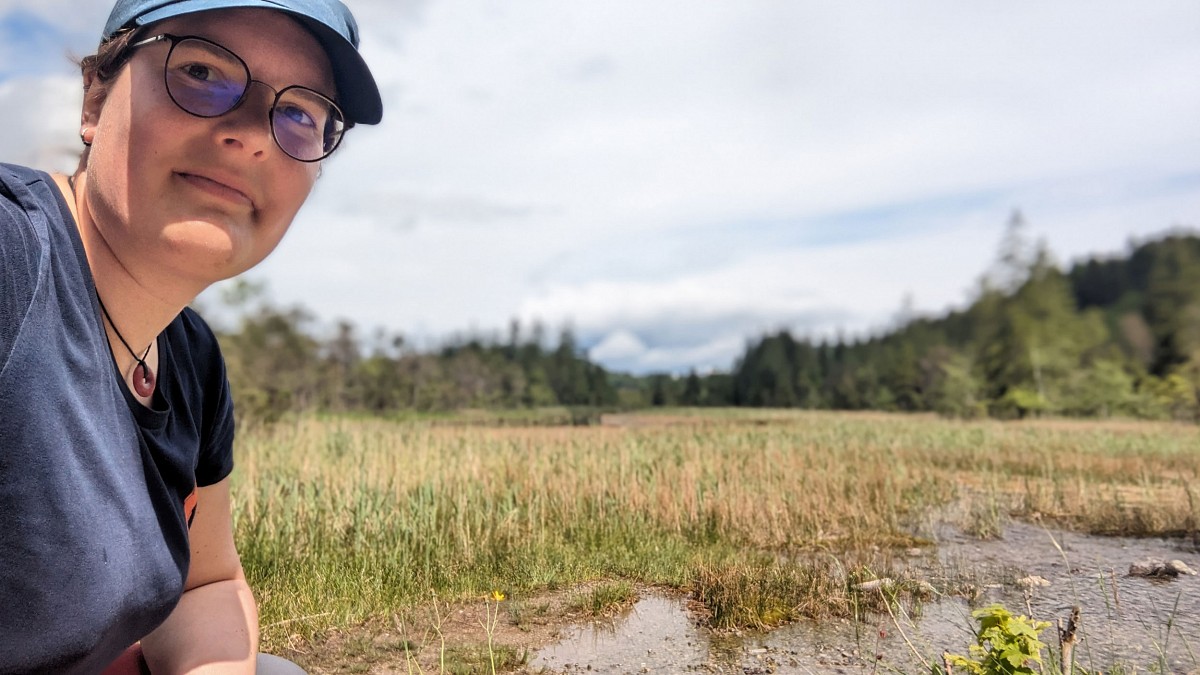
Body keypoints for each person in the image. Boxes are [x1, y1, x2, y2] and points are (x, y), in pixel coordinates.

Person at [0, 0, 381, 672]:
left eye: (300, 114)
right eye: (203, 71)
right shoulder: (13, 259)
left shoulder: (190, 359)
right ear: (95, 100)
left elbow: (207, 583)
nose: (253, 134)